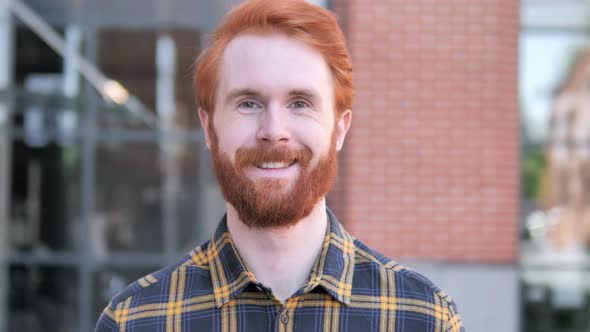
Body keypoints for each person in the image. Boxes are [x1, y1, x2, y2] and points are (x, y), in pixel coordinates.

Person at [96, 0, 465, 331]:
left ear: (339, 128)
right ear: (209, 128)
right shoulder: (137, 320)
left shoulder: (424, 318)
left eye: (300, 103)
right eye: (248, 103)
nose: (274, 132)